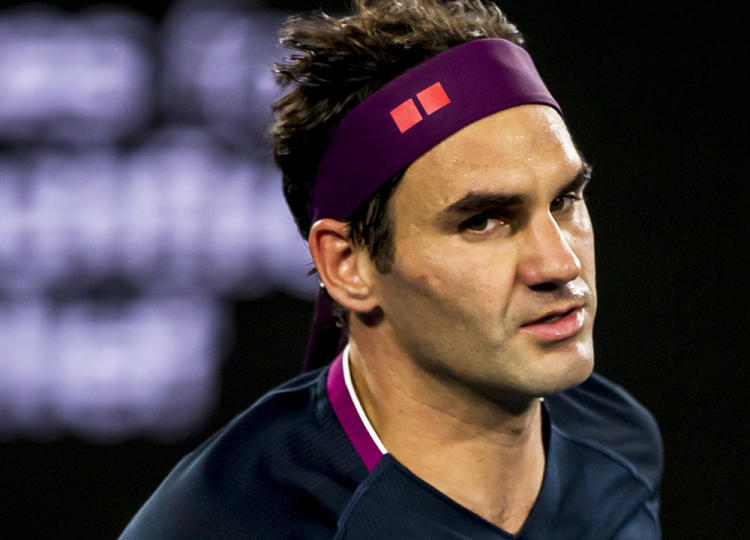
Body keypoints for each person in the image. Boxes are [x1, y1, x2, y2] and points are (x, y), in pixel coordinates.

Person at [121, 1, 662, 538]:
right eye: (483, 222)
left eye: (565, 201)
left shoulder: (618, 439)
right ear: (348, 264)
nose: (560, 263)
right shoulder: (220, 525)